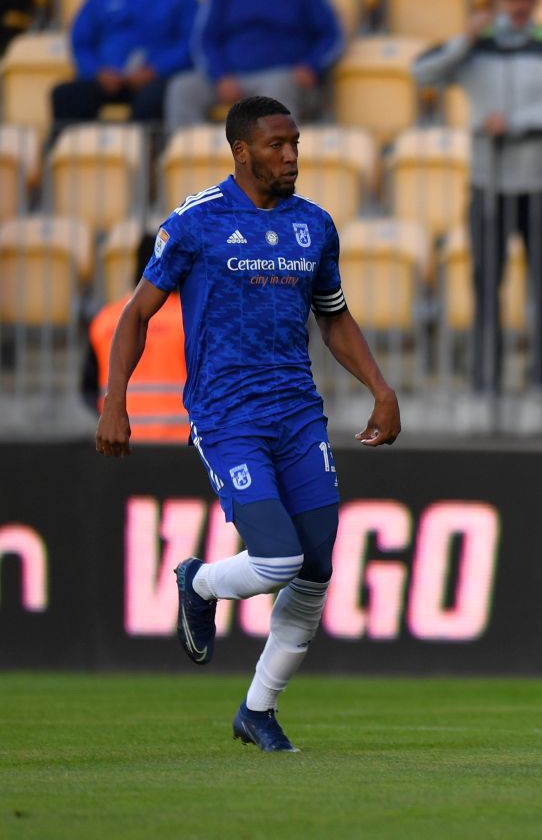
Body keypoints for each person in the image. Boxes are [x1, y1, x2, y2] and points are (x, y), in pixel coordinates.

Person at [95, 96, 401, 752]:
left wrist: (379, 387)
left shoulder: (314, 226)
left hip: (297, 417)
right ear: (242, 152)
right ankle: (198, 581)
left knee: (316, 566)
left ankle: (258, 710)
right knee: (279, 558)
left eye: (295, 144)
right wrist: (113, 400)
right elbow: (135, 314)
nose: (291, 156)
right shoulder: (196, 222)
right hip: (228, 417)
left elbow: (334, 316)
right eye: (277, 146)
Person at [413, 0, 542, 393]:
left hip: (541, 183)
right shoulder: (474, 45)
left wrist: (512, 122)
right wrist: (464, 40)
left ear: (535, 4)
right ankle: (486, 377)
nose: (518, 6)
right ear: (496, 4)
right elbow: (421, 74)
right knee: (485, 283)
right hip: (490, 184)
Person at [164, 0, 343, 133]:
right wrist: (220, 77)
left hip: (283, 75)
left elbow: (331, 36)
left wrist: (312, 67)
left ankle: (272, 174)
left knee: (277, 89)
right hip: (231, 77)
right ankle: (194, 169)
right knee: (182, 88)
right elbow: (205, 40)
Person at [86, 232, 189, 443]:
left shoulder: (106, 320)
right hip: (179, 446)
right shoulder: (188, 319)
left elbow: (87, 386)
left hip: (121, 441)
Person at [51, 0, 196, 127]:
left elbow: (192, 43)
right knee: (66, 95)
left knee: (151, 101)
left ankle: (140, 151)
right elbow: (82, 43)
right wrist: (97, 71)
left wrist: (156, 70)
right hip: (108, 80)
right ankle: (77, 151)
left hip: (155, 79)